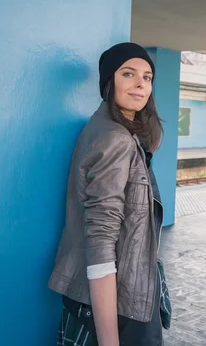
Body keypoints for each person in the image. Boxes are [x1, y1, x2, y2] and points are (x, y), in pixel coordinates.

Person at [49, 43, 168, 346]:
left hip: (121, 291)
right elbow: (101, 239)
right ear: (108, 82)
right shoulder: (115, 138)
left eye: (147, 77)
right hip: (119, 301)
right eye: (128, 73)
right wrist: (109, 340)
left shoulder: (107, 128)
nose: (141, 83)